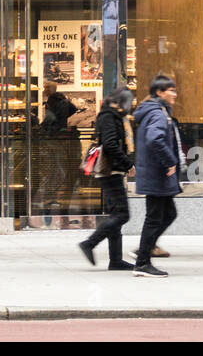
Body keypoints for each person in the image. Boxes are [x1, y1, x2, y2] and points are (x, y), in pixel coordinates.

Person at [76, 88, 135, 271]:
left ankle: (115, 260)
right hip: (111, 171)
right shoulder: (109, 117)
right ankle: (90, 243)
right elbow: (110, 144)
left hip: (113, 171)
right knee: (122, 214)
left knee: (115, 215)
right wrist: (128, 164)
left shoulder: (110, 115)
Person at [131, 76, 184, 278]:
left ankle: (144, 250)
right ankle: (142, 262)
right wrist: (169, 161)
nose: (174, 94)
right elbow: (155, 139)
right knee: (154, 218)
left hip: (155, 173)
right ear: (159, 93)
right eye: (171, 90)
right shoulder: (157, 113)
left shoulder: (155, 111)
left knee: (168, 214)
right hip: (157, 173)